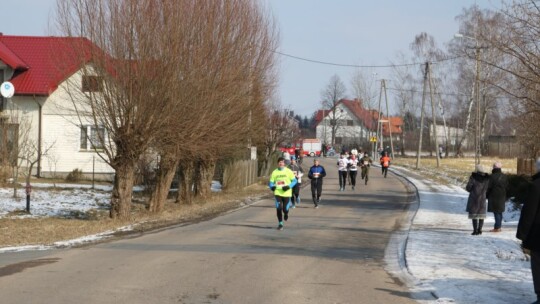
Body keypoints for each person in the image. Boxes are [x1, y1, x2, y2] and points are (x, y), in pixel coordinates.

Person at [517, 158, 540, 304]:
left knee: (538, 265)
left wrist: (522, 235)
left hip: (538, 235)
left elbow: (529, 212)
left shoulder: (536, 185)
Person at [269, 157, 297, 230]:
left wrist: (288, 187)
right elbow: (271, 182)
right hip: (277, 192)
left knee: (285, 209)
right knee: (279, 208)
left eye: (282, 162)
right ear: (278, 163)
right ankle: (280, 223)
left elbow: (294, 181)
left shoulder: (288, 171)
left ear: (284, 163)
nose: (281, 163)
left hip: (286, 193)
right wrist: (272, 187)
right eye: (279, 162)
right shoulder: (274, 172)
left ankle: (286, 213)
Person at [466, 164, 490, 235]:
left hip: (474, 198)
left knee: (474, 214)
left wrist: (471, 190)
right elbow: (487, 188)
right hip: (482, 198)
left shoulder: (473, 177)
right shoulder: (487, 179)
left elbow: (468, 187)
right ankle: (480, 230)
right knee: (481, 214)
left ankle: (475, 230)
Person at [487, 162, 508, 232]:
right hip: (502, 196)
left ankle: (497, 227)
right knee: (500, 212)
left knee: (496, 212)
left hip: (494, 196)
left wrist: (486, 195)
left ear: (494, 168)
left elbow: (488, 187)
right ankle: (498, 226)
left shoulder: (492, 176)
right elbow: (507, 186)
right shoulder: (504, 176)